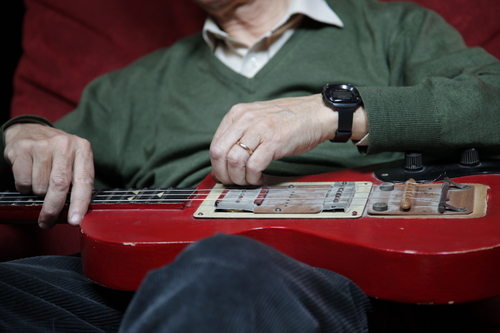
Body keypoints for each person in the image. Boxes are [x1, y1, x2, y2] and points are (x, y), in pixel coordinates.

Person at [1, 0, 499, 331]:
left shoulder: (393, 29)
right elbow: (30, 172)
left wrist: (336, 112)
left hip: (325, 276)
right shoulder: (129, 88)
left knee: (217, 270)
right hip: (141, 277)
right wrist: (19, 133)